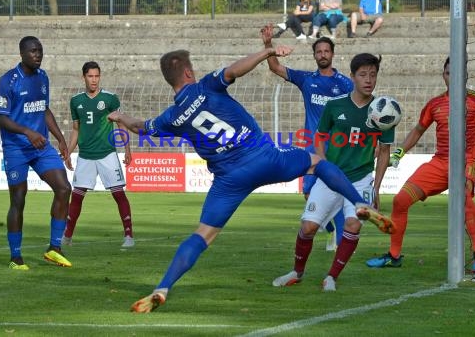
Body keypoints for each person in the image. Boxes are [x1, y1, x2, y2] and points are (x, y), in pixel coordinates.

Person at [109, 46, 393, 312]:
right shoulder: (206, 85)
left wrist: (121, 116)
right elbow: (235, 70)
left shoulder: (170, 117)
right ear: (187, 72)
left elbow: (140, 127)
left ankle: (163, 287)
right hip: (263, 158)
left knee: (202, 235)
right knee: (317, 163)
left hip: (229, 179)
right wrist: (267, 51)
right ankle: (357, 202)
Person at [366, 57, 475, 273]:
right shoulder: (434, 104)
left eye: (457, 72)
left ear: (465, 75)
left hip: (467, 161)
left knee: (463, 199)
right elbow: (418, 131)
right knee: (400, 200)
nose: (453, 77)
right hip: (440, 163)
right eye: (449, 73)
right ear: (444, 75)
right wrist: (400, 152)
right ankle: (393, 256)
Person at [272, 53, 394, 292]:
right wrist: (324, 166)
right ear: (352, 77)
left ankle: (332, 277)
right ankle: (296, 272)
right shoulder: (335, 105)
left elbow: (385, 151)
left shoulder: (383, 110)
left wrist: (376, 187)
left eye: (373, 75)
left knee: (353, 225)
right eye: (363, 74)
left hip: (360, 180)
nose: (368, 80)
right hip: (330, 178)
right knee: (308, 228)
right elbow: (319, 137)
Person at [261, 25, 352, 251]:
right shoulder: (306, 80)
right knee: (309, 193)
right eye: (318, 51)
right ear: (314, 55)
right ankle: (330, 231)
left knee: (337, 194)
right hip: (312, 148)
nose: (322, 55)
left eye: (326, 51)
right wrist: (267, 45)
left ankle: (341, 243)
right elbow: (274, 67)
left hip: (337, 149)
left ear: (332, 54)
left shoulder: (345, 84)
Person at [0, 36, 72, 270]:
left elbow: (43, 109)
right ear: (22, 53)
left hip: (41, 146)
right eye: (33, 51)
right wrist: (27, 132)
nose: (37, 55)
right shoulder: (8, 81)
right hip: (16, 147)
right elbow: (2, 118)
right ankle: (15, 257)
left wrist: (60, 138)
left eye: (40, 51)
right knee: (18, 199)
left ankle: (54, 249)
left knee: (63, 187)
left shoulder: (43, 77)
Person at [62, 61, 135, 248]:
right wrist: (68, 153)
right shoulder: (76, 101)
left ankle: (129, 236)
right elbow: (76, 130)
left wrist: (127, 150)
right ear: (83, 77)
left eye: (97, 76)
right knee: (77, 196)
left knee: (118, 194)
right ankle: (67, 237)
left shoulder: (110, 99)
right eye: (90, 76)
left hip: (107, 154)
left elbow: (121, 124)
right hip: (85, 155)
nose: (94, 80)